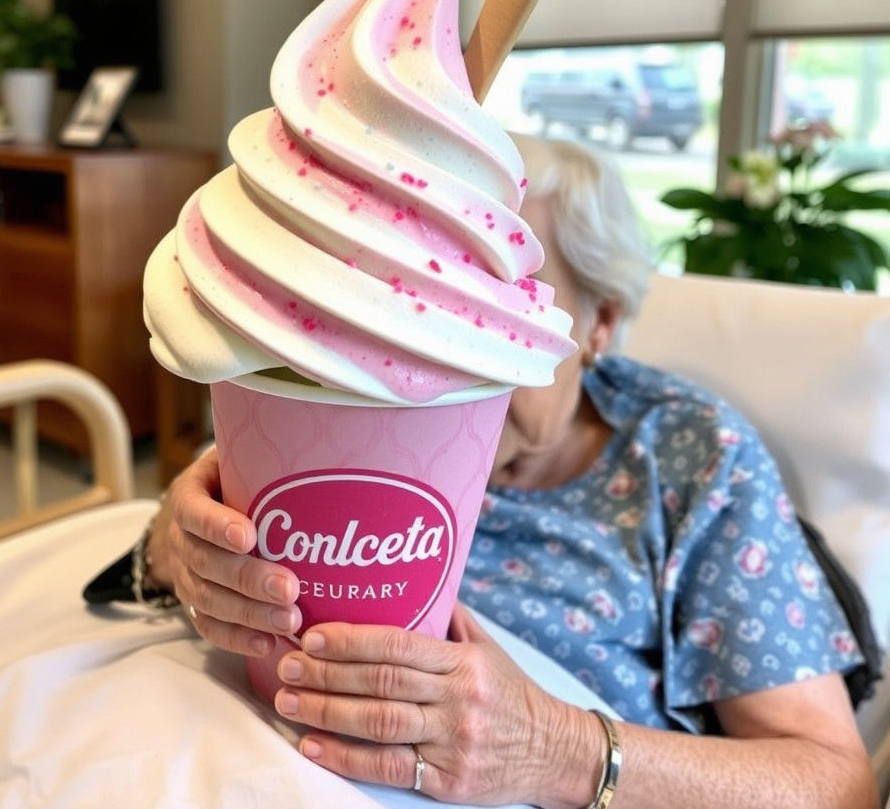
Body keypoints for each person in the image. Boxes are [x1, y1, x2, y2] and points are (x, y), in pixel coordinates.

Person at [88, 137, 879, 808]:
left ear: (600, 320)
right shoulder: (326, 414)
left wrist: (552, 747)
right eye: (406, 302)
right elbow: (159, 559)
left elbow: (830, 782)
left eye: (491, 310)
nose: (429, 352)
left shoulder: (687, 453)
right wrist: (183, 552)